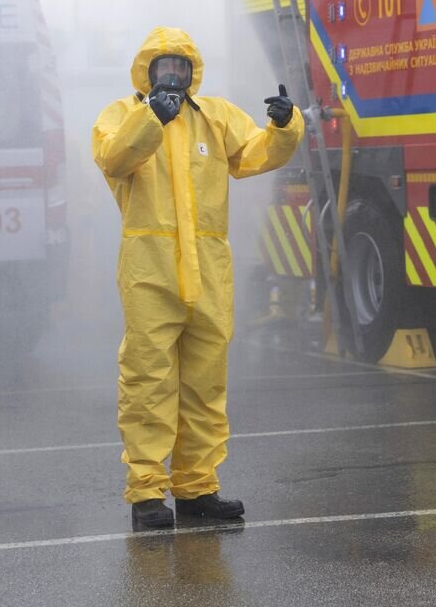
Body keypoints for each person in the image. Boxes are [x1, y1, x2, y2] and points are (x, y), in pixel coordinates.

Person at [92, 27, 304, 529]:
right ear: (146, 70)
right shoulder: (123, 115)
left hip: (209, 272)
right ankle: (147, 494)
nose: (173, 76)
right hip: (151, 270)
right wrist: (152, 119)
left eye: (181, 68)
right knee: (148, 382)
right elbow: (113, 158)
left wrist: (284, 125)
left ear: (193, 72)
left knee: (206, 385)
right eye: (163, 67)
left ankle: (196, 490)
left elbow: (255, 153)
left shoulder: (215, 116)